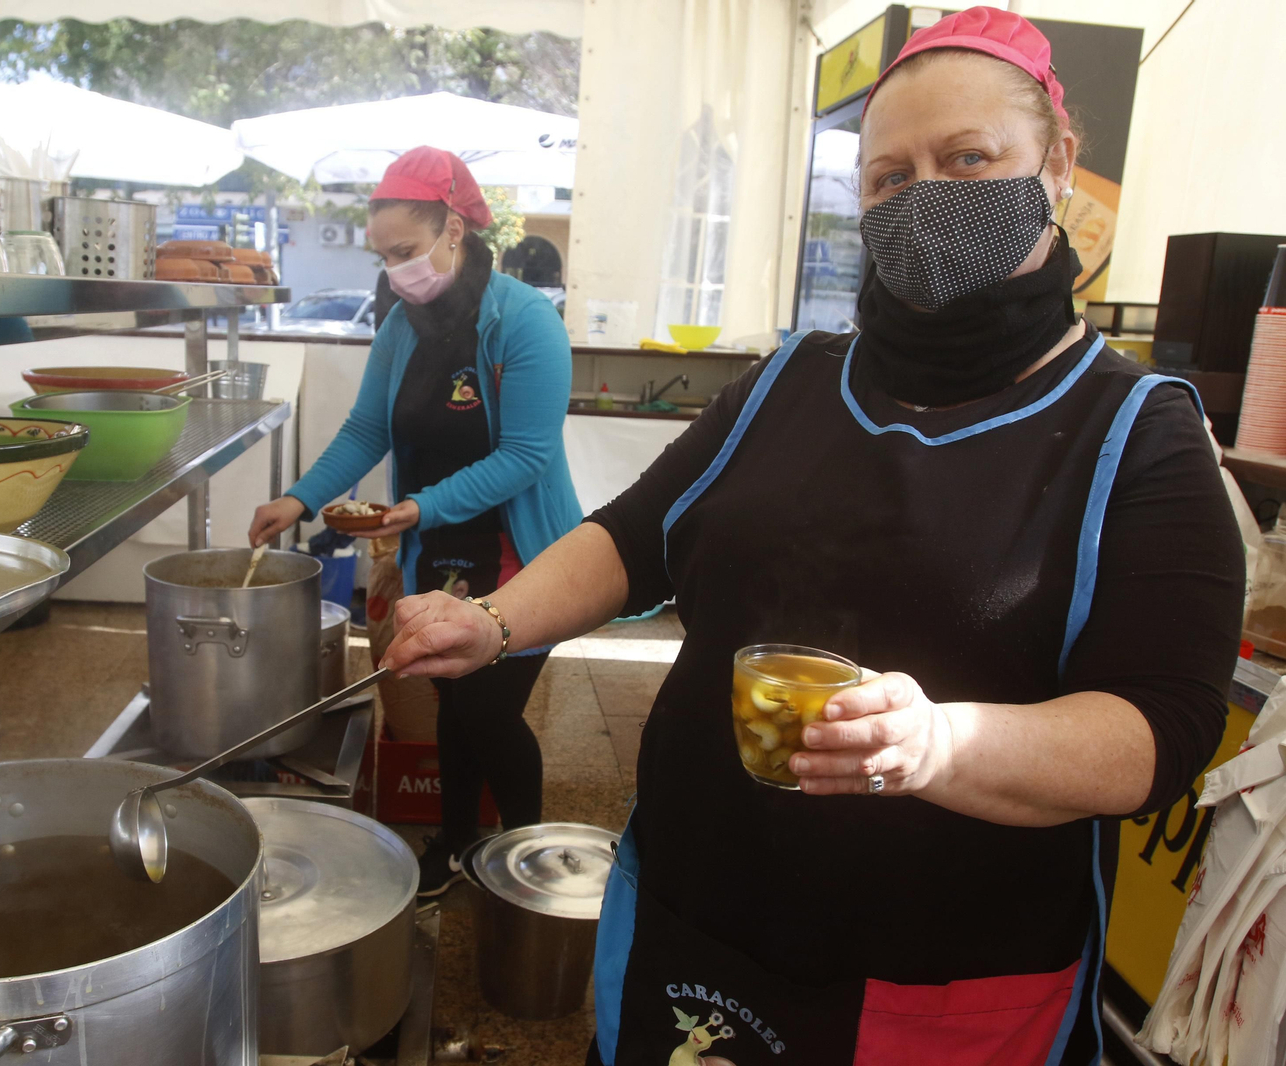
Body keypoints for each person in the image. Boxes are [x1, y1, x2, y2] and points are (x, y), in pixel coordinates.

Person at [377, 10, 1244, 1064]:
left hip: (942, 970)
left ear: (1057, 165)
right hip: (698, 915)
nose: (921, 197)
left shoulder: (1137, 429)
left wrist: (939, 744)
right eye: (887, 177)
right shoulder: (791, 379)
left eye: (967, 159)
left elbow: (1161, 728)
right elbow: (633, 536)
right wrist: (493, 620)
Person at [250, 146, 584, 896]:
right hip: (440, 552)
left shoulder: (525, 323)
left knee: (492, 712)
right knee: (455, 707)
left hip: (519, 554)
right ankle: (461, 842)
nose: (396, 268)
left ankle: (524, 856)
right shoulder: (403, 324)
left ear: (455, 230)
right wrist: (298, 499)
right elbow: (369, 430)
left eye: (406, 251)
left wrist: (418, 506)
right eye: (385, 254)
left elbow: (527, 454)